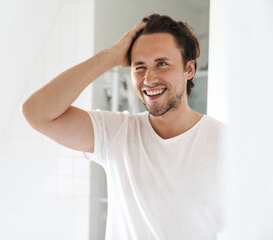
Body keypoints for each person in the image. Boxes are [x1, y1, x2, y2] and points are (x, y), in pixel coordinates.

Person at [22, 13, 224, 240]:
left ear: (189, 69)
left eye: (162, 64)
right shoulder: (116, 133)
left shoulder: (225, 142)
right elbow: (37, 113)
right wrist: (110, 56)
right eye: (140, 67)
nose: (149, 78)